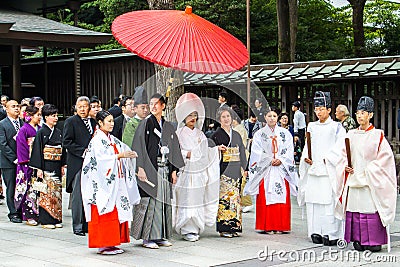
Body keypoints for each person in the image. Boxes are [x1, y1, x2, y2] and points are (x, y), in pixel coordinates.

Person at [327, 96, 397, 252]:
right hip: (353, 181)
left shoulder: (378, 135)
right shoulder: (350, 134)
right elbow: (342, 155)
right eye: (358, 112)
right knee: (355, 211)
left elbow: (385, 160)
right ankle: (357, 239)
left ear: (370, 115)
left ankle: (373, 241)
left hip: (369, 182)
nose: (360, 116)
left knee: (369, 211)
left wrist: (370, 170)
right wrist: (345, 166)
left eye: (363, 112)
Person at [81, 110, 140, 255]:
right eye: (108, 121)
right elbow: (101, 160)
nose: (112, 124)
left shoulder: (112, 139)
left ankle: (113, 243)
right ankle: (103, 244)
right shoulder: (96, 140)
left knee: (117, 210)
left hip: (115, 181)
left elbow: (123, 149)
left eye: (113, 121)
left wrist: (129, 155)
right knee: (106, 209)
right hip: (103, 183)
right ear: (100, 123)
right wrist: (120, 155)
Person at [131, 93, 184, 249]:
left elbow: (175, 149)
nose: (153, 106)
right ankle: (148, 237)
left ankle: (161, 235)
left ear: (163, 106)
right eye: (151, 104)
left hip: (165, 168)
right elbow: (138, 145)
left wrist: (174, 170)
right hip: (150, 169)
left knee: (164, 202)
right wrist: (140, 167)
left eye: (156, 104)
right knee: (151, 203)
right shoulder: (145, 124)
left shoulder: (168, 127)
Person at [298, 91, 346, 246]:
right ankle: (315, 230)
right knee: (313, 202)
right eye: (316, 110)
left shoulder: (337, 127)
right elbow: (307, 146)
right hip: (313, 170)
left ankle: (331, 233)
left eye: (321, 109)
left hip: (328, 170)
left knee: (328, 202)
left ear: (329, 110)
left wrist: (330, 158)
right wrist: (307, 157)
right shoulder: (311, 126)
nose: (318, 112)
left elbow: (341, 147)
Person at [174, 93, 220, 242]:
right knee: (186, 199)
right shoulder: (178, 133)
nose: (193, 118)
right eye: (190, 115)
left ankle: (196, 227)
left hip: (199, 173)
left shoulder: (201, 134)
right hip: (186, 171)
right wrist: (186, 153)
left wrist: (216, 150)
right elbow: (174, 152)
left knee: (197, 199)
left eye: (195, 115)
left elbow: (206, 153)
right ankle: (186, 228)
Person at [245, 107, 298, 234]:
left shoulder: (285, 134)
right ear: (265, 118)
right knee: (265, 195)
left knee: (281, 195)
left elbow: (289, 150)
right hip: (265, 169)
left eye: (274, 116)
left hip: (281, 168)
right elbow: (257, 152)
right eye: (269, 116)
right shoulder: (259, 134)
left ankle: (281, 225)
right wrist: (269, 160)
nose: (272, 118)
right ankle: (266, 225)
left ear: (278, 118)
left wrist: (280, 159)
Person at [210, 107, 248, 238]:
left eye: (228, 116)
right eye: (223, 117)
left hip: (236, 169)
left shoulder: (236, 134)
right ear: (219, 119)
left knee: (236, 200)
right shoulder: (216, 135)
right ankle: (224, 228)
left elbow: (242, 150)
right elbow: (209, 152)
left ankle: (234, 226)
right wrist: (217, 149)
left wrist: (245, 167)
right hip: (223, 170)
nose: (226, 119)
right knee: (225, 200)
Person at [63, 96, 96, 236]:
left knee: (90, 194)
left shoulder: (94, 122)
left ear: (89, 107)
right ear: (76, 107)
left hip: (92, 164)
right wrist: (83, 152)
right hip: (78, 163)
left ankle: (88, 223)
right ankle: (78, 225)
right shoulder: (71, 121)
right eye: (80, 106)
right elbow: (66, 141)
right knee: (78, 195)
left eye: (85, 106)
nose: (83, 109)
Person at [30, 104, 65, 229]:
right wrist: (39, 168)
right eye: (52, 116)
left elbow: (62, 149)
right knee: (46, 192)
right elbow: (37, 151)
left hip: (56, 164)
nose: (55, 118)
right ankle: (46, 220)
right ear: (46, 117)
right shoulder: (41, 132)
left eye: (56, 115)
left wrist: (62, 164)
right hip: (45, 165)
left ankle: (56, 218)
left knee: (57, 192)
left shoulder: (58, 132)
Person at [14, 106, 41, 226]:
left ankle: (39, 213)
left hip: (39, 163)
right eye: (37, 115)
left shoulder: (40, 129)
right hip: (27, 163)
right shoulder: (24, 130)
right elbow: (21, 147)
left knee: (38, 189)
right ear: (30, 116)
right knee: (28, 189)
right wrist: (27, 161)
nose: (39, 117)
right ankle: (29, 215)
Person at [0, 100, 23, 223]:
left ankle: (21, 209)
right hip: (8, 162)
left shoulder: (23, 123)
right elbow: (2, 144)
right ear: (6, 109)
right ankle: (13, 212)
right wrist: (14, 158)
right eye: (13, 107)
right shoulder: (2, 124)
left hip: (22, 160)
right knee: (11, 186)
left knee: (21, 186)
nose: (16, 109)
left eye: (17, 106)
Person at [231, 105, 253, 213]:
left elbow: (241, 145)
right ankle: (239, 202)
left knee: (242, 181)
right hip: (235, 157)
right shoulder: (235, 129)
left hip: (241, 156)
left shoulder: (240, 129)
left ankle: (248, 202)